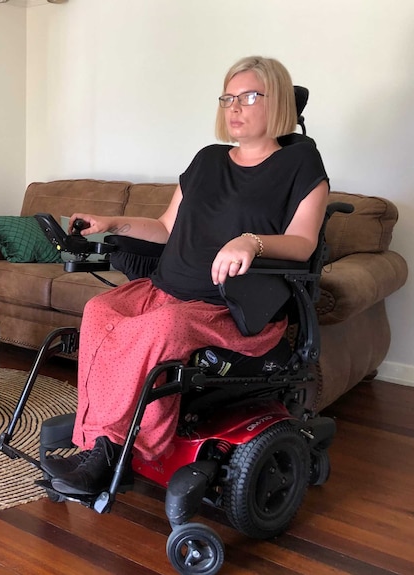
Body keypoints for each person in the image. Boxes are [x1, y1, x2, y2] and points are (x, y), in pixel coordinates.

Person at [46, 56, 330, 496]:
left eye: (250, 96)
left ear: (277, 104)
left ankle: (118, 450)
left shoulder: (301, 166)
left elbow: (304, 243)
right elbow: (164, 227)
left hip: (226, 306)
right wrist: (112, 222)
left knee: (160, 329)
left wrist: (252, 241)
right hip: (166, 289)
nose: (235, 107)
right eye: (228, 97)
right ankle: (95, 440)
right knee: (100, 309)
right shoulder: (207, 160)